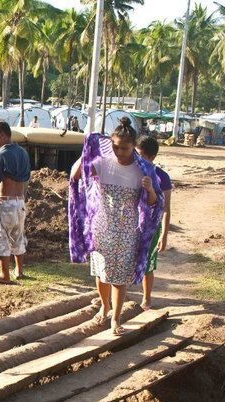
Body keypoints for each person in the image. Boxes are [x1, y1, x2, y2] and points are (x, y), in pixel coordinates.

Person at [69, 117, 162, 336]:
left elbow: (154, 203)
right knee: (101, 273)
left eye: (125, 148)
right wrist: (85, 154)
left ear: (134, 147)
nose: (119, 152)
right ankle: (104, 306)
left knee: (119, 278)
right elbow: (75, 177)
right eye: (115, 147)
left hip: (128, 230)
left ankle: (116, 318)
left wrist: (149, 190)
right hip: (101, 225)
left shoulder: (144, 170)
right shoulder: (101, 163)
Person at [0, 121, 31, 284]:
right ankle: (19, 270)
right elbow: (26, 179)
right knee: (18, 236)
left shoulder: (1, 154)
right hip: (20, 202)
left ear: (3, 135)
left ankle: (4, 275)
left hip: (4, 202)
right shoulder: (23, 153)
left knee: (1, 238)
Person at [137, 136, 173, 310]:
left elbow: (166, 208)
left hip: (151, 227)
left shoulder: (161, 177)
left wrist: (164, 235)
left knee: (147, 263)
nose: (136, 158)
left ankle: (147, 298)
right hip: (131, 224)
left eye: (140, 155)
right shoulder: (133, 171)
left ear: (151, 157)